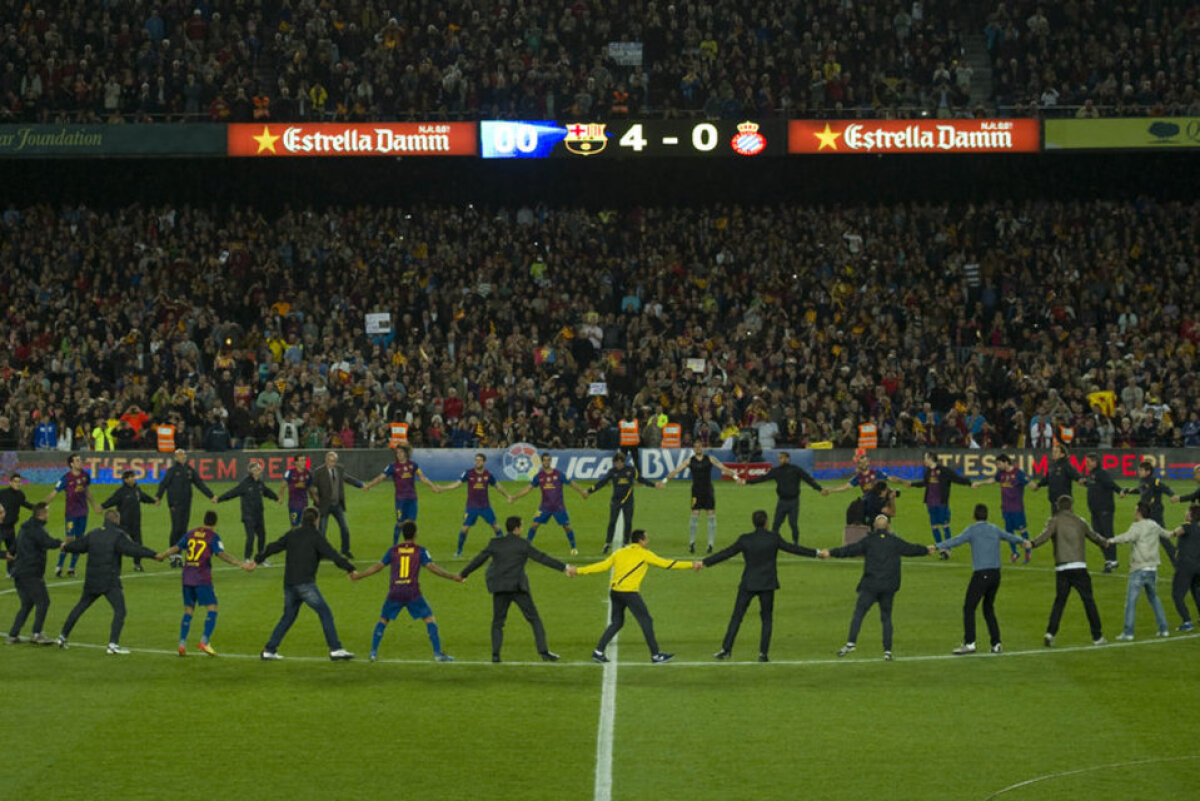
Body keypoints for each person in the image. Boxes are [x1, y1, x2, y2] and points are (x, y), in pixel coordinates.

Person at [703, 509, 819, 661]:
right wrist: (816, 553)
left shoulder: (745, 539)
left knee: (737, 617)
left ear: (753, 522)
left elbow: (726, 553)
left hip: (748, 583)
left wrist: (705, 562)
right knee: (766, 619)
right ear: (766, 522)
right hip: (767, 584)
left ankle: (726, 650)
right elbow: (794, 549)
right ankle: (763, 654)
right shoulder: (773, 538)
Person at [457, 515, 569, 663]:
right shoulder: (523, 544)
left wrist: (463, 574)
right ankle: (544, 652)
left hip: (500, 588)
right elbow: (542, 558)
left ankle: (495, 656)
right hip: (518, 588)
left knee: (498, 622)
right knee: (534, 619)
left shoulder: (495, 543)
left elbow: (479, 559)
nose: (522, 529)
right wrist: (564, 567)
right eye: (521, 526)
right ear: (516, 528)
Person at [821, 514, 934, 660]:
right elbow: (911, 549)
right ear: (888, 526)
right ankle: (887, 651)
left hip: (871, 585)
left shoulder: (869, 541)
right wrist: (926, 550)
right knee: (886, 617)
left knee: (859, 613)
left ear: (874, 526)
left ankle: (851, 642)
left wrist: (831, 552)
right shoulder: (894, 541)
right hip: (888, 586)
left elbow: (850, 550)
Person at [577, 528, 697, 664]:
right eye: (646, 538)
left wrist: (579, 571)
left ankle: (598, 652)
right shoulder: (644, 554)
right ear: (641, 541)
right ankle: (656, 655)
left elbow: (602, 566)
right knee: (646, 621)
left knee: (617, 623)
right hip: (629, 593)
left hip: (615, 592)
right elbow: (668, 564)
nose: (648, 540)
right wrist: (691, 564)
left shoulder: (619, 552)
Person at [253, 507, 357, 661]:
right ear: (316, 520)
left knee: (288, 616)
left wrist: (257, 560)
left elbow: (273, 547)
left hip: (289, 584)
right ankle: (335, 648)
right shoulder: (316, 536)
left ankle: (269, 649)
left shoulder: (292, 533)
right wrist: (350, 568)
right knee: (325, 613)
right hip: (305, 584)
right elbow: (332, 554)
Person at [350, 521, 461, 662]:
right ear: (415, 534)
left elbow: (378, 566)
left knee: (383, 619)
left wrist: (359, 576)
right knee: (429, 618)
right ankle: (438, 654)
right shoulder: (420, 550)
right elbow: (432, 568)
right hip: (412, 592)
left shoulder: (393, 550)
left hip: (395, 591)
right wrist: (452, 576)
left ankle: (373, 652)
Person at [56, 510, 163, 654]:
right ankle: (113, 644)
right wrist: (153, 554)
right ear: (117, 520)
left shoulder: (93, 533)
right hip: (109, 580)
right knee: (120, 611)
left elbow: (78, 546)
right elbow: (133, 549)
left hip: (92, 579)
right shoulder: (118, 536)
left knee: (80, 607)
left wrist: (66, 547)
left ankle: (62, 637)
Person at [935, 504, 1030, 654]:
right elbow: (1009, 536)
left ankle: (970, 643)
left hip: (982, 574)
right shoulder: (994, 528)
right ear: (987, 515)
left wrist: (938, 546)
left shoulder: (972, 530)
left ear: (974, 516)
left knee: (969, 608)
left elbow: (957, 540)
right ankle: (996, 643)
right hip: (996, 574)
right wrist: (1023, 542)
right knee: (988, 608)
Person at [161, 510, 254, 656]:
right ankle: (204, 642)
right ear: (215, 522)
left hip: (187, 576)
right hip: (201, 577)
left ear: (204, 520)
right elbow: (221, 554)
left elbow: (177, 547)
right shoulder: (213, 536)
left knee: (188, 611)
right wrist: (240, 564)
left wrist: (163, 555)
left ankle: (182, 644)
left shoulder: (191, 533)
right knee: (212, 608)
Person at [1028, 495, 1108, 647]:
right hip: (1079, 567)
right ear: (1071, 506)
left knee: (1060, 601)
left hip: (1062, 568)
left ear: (1058, 506)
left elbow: (1044, 536)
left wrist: (1032, 544)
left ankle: (1050, 633)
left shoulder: (1054, 521)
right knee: (1088, 601)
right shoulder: (1080, 521)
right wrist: (1105, 542)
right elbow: (1094, 536)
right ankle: (1097, 637)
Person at [1104, 502, 1172, 640]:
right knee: (1154, 599)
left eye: (1135, 510)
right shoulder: (1154, 524)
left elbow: (1126, 537)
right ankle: (1164, 629)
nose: (1134, 512)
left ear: (1140, 512)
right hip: (1152, 569)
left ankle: (1128, 633)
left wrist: (1111, 540)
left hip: (1139, 570)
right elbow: (1168, 534)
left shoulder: (1137, 526)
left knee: (1131, 602)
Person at [663, 442, 737, 554]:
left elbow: (723, 467)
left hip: (708, 491)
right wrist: (664, 480)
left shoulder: (710, 459)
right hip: (696, 491)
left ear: (702, 448)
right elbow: (677, 470)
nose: (698, 448)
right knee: (695, 515)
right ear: (693, 449)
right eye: (696, 447)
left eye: (700, 446)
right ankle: (692, 543)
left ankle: (710, 544)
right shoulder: (690, 461)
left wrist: (736, 477)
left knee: (711, 515)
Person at [741, 451, 826, 545]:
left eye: (782, 458)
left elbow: (808, 479)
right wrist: (747, 482)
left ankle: (796, 543)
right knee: (776, 525)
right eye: (779, 458)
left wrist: (820, 489)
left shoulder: (795, 470)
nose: (780, 460)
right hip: (782, 501)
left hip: (793, 502)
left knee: (793, 524)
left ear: (788, 459)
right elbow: (762, 478)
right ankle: (773, 542)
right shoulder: (776, 471)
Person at [511, 452, 588, 554]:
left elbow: (571, 483)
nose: (546, 462)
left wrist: (582, 491)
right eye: (545, 460)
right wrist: (516, 497)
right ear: (542, 462)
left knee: (567, 527)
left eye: (548, 460)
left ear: (550, 461)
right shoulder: (539, 476)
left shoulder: (558, 474)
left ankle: (573, 547)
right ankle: (527, 546)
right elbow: (528, 488)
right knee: (534, 524)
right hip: (544, 507)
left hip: (559, 507)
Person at [363, 445, 441, 545]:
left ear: (405, 453)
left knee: (412, 524)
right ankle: (395, 545)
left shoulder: (413, 465)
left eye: (401, 452)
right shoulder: (392, 467)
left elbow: (422, 477)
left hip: (412, 499)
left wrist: (433, 486)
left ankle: (411, 545)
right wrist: (369, 486)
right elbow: (380, 478)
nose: (399, 454)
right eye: (397, 453)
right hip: (400, 500)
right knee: (400, 523)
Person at [6, 503, 61, 645]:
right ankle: (37, 634)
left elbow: (14, 546)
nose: (48, 515)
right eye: (47, 512)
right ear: (42, 514)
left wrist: (11, 555)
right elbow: (47, 542)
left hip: (19, 572)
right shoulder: (37, 529)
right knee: (43, 601)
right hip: (31, 572)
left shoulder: (25, 527)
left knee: (27, 603)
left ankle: (13, 635)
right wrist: (61, 543)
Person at [439, 453, 514, 557]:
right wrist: (443, 488)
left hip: (485, 506)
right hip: (471, 507)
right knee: (465, 528)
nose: (477, 462)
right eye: (476, 460)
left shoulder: (488, 474)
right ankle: (459, 551)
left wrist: (507, 496)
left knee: (495, 526)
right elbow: (457, 484)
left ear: (484, 462)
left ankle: (503, 548)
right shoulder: (468, 473)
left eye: (479, 460)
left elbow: (498, 486)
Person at [587, 451, 660, 553]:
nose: (618, 465)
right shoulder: (612, 471)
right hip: (615, 501)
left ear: (623, 462)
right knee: (612, 522)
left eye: (619, 463)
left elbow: (641, 479)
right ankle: (608, 542)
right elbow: (602, 482)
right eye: (616, 463)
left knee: (628, 522)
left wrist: (654, 485)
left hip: (628, 501)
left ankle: (626, 542)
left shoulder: (631, 470)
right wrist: (590, 490)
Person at [155, 448, 216, 568]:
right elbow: (164, 484)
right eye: (180, 455)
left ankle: (178, 555)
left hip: (186, 504)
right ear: (175, 457)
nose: (183, 457)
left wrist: (211, 495)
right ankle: (172, 555)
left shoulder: (189, 470)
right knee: (176, 528)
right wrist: (158, 497)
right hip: (175, 504)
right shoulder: (172, 471)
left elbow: (199, 483)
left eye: (184, 455)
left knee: (183, 529)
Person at [904, 451, 971, 554]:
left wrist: (969, 483)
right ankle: (941, 548)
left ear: (931, 458)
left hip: (941, 503)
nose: (924, 460)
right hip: (930, 503)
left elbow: (956, 478)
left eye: (925, 458)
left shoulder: (944, 470)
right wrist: (912, 484)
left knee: (945, 526)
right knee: (934, 526)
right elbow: (925, 483)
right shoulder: (927, 472)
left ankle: (948, 549)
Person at [45, 453, 98, 578]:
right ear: (71, 464)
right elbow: (54, 493)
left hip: (83, 513)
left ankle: (72, 568)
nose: (80, 462)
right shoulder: (65, 478)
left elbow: (87, 491)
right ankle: (59, 566)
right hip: (71, 514)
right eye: (77, 460)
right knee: (69, 540)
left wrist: (94, 505)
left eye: (80, 460)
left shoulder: (85, 476)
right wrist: (43, 505)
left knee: (79, 541)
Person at [971, 454, 1031, 564]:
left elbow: (1029, 482)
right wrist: (980, 483)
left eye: (999, 463)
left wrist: (1036, 486)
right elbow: (993, 480)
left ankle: (1028, 551)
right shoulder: (1001, 474)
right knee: (1009, 532)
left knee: (1022, 530)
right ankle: (1015, 552)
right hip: (1006, 508)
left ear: (1006, 462)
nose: (998, 466)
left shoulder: (1018, 473)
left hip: (1017, 509)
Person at [217, 461, 280, 561]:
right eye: (258, 469)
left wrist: (276, 498)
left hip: (259, 514)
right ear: (253, 471)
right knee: (251, 537)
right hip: (248, 515)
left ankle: (261, 557)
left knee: (262, 536)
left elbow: (266, 491)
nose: (260, 470)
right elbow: (232, 493)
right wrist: (219, 499)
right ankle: (247, 558)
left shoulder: (259, 483)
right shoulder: (245, 483)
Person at [311, 451, 366, 559]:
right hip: (324, 505)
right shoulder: (319, 472)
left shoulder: (339, 470)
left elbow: (348, 479)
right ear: (326, 460)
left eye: (334, 461)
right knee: (322, 530)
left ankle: (345, 550)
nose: (332, 463)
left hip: (337, 505)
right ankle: (320, 552)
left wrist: (360, 485)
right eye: (331, 461)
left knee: (344, 528)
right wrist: (316, 499)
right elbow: (312, 487)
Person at [100, 471, 156, 572]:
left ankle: (137, 564)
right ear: (125, 480)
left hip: (136, 523)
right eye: (130, 477)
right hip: (123, 524)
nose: (132, 479)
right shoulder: (121, 492)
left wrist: (153, 500)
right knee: (119, 544)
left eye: (133, 477)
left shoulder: (137, 490)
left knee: (138, 544)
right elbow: (112, 500)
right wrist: (103, 506)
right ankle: (113, 564)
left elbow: (144, 497)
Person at [1080, 452, 1124, 573]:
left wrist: (1120, 491)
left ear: (1095, 462)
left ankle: (1112, 560)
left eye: (1088, 462)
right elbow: (1094, 485)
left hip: (1104, 508)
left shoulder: (1102, 473)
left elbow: (1111, 484)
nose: (1086, 465)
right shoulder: (1092, 474)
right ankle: (1109, 560)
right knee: (1098, 536)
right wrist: (1085, 483)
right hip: (1095, 509)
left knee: (1107, 534)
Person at [1129, 459, 1175, 564]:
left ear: (1148, 472)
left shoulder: (1154, 481)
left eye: (1141, 470)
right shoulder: (1142, 481)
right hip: (1146, 514)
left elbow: (1166, 488)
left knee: (1163, 538)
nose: (1139, 472)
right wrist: (1126, 491)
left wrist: (1172, 495)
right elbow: (1140, 490)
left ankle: (1177, 559)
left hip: (1155, 514)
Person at [1167, 504, 1200, 631]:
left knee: (1177, 595)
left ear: (1190, 514)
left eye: (1188, 511)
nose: (1186, 512)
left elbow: (1173, 533)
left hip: (1185, 566)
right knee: (1196, 592)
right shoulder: (1198, 528)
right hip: (1197, 566)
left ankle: (1187, 621)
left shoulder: (1187, 526)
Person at [1030, 441, 1080, 516]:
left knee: (1065, 523)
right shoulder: (1052, 466)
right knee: (1056, 523)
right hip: (1054, 500)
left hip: (1064, 502)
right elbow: (1046, 479)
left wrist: (1082, 480)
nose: (1053, 453)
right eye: (1053, 451)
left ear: (1062, 454)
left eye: (1056, 452)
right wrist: (1038, 485)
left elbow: (1076, 476)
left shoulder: (1066, 466)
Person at [0, 473, 33, 573]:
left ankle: (10, 571)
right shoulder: (3, 493)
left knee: (13, 549)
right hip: (0, 526)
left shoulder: (20, 495)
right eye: (15, 482)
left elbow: (25, 504)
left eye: (19, 482)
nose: (18, 484)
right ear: (10, 482)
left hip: (10, 527)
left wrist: (37, 508)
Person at [826, 451, 894, 497]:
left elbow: (890, 478)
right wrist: (830, 489)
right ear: (858, 465)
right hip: (868, 503)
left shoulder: (877, 473)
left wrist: (903, 481)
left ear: (868, 463)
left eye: (865, 462)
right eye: (861, 463)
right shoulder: (858, 478)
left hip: (880, 502)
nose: (863, 464)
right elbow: (845, 487)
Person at [279, 457, 314, 528]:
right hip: (294, 504)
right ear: (296, 462)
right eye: (301, 460)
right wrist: (281, 497)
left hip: (304, 504)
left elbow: (310, 488)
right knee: (294, 526)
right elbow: (282, 486)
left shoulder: (308, 473)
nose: (303, 462)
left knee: (304, 526)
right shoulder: (290, 472)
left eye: (304, 460)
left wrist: (315, 498)